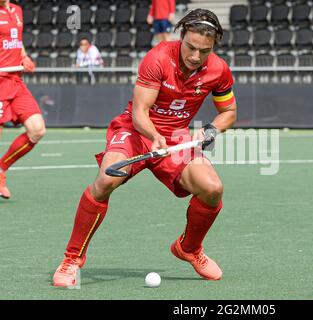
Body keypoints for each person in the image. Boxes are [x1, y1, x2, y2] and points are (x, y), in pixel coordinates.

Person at [53, 8, 237, 288]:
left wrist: (211, 129)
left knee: (212, 189)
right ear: (182, 35)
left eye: (204, 51)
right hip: (136, 130)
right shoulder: (159, 57)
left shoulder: (218, 70)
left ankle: (189, 248)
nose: (195, 56)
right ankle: (72, 259)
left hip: (177, 138)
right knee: (106, 180)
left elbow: (229, 112)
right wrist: (155, 137)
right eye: (191, 47)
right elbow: (140, 112)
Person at [0, 0, 46, 199]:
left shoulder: (17, 10)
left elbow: (16, 41)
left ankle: (1, 170)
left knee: (37, 130)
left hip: (16, 80)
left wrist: (24, 57)